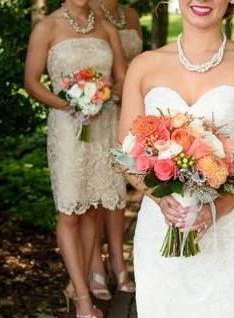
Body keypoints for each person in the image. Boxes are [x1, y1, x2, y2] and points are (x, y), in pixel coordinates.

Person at [118, 0, 234, 316]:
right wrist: (158, 196)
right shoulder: (144, 66)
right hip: (164, 226)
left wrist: (216, 209)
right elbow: (125, 151)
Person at [24, 0, 127, 316]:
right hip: (68, 129)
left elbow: (122, 76)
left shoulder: (106, 26)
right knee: (70, 211)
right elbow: (31, 82)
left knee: (94, 207)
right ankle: (83, 301)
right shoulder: (48, 27)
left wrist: (103, 95)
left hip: (103, 124)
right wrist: (69, 104)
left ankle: (77, 283)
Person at [88, 0, 142, 300]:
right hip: (96, 111)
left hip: (127, 110)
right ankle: (95, 264)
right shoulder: (87, 13)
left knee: (117, 192)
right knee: (94, 192)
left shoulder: (130, 15)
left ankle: (119, 263)